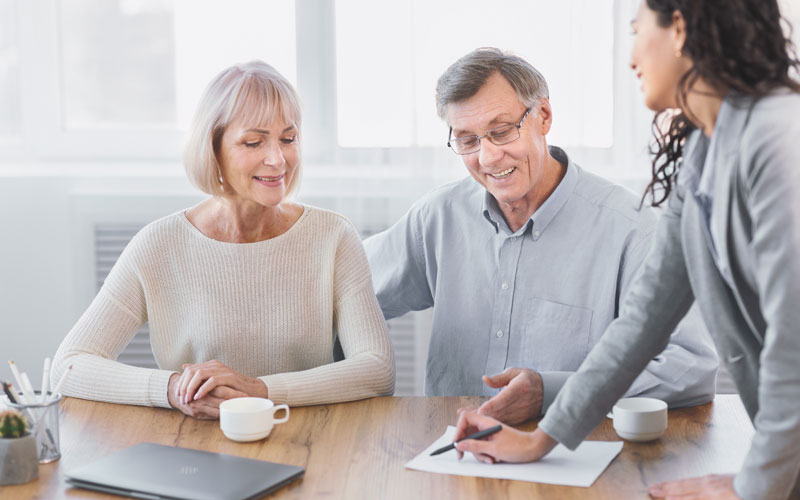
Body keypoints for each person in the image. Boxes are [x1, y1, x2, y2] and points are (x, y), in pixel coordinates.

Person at [453, 1, 800, 498]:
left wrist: (756, 487)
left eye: (638, 31)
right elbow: (642, 322)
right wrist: (544, 441)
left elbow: (794, 346)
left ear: (679, 27)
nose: (631, 57)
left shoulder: (780, 137)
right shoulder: (705, 153)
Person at [364, 47, 717, 423]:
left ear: (543, 116)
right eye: (468, 141)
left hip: (573, 456)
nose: (487, 158)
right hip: (451, 450)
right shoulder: (438, 217)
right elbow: (341, 290)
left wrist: (554, 393)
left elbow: (691, 367)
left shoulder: (632, 230)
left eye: (500, 132)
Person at [51, 61, 395, 418]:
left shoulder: (333, 237)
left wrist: (259, 391)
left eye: (288, 139)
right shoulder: (159, 244)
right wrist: (172, 389)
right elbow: (69, 365)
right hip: (194, 445)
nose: (278, 159)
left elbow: (378, 369)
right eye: (253, 142)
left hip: (306, 436)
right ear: (212, 147)